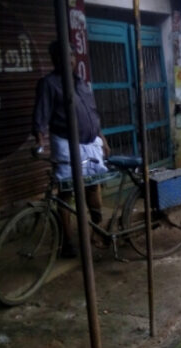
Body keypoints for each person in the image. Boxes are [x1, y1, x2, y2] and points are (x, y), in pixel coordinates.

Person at [33, 40, 110, 258]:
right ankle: (67, 243)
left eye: (72, 56)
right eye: (64, 56)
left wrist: (103, 139)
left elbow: (93, 114)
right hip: (66, 144)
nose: (70, 60)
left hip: (91, 143)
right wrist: (39, 141)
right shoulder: (48, 84)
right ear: (55, 59)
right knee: (66, 193)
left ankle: (97, 230)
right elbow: (40, 116)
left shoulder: (82, 83)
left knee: (93, 187)